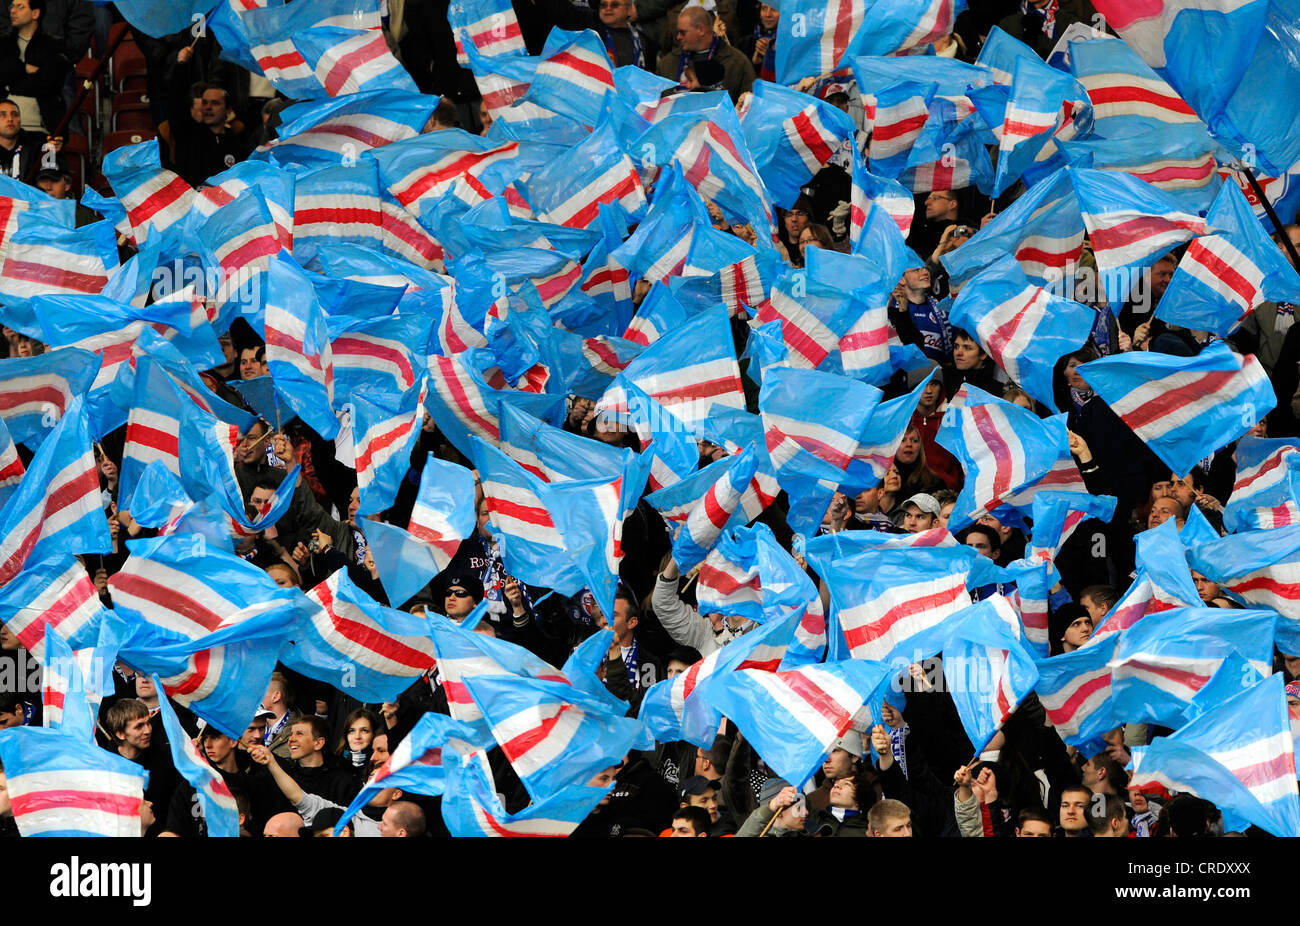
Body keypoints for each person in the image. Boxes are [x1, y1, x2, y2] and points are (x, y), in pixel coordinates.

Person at [657, 6, 753, 103]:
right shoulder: (668, 63)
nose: (678, 37)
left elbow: (748, 105)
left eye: (683, 33)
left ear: (701, 30)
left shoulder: (737, 63)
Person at [0, 0, 69, 133]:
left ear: (35, 13)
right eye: (12, 6)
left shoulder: (53, 45)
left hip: (41, 127)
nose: (13, 11)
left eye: (20, 7)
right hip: (3, 129)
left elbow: (46, 84)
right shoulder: (3, 44)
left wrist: (9, 84)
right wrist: (24, 68)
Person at [165, 79, 247, 187]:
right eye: (205, 103)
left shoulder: (236, 142)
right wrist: (181, 65)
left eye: (215, 103)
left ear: (228, 110)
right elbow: (176, 100)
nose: (208, 107)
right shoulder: (187, 135)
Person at [595, 0, 657, 69]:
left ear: (630, 9)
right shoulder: (592, 36)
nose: (608, 8)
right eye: (604, 5)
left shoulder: (645, 41)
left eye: (615, 4)